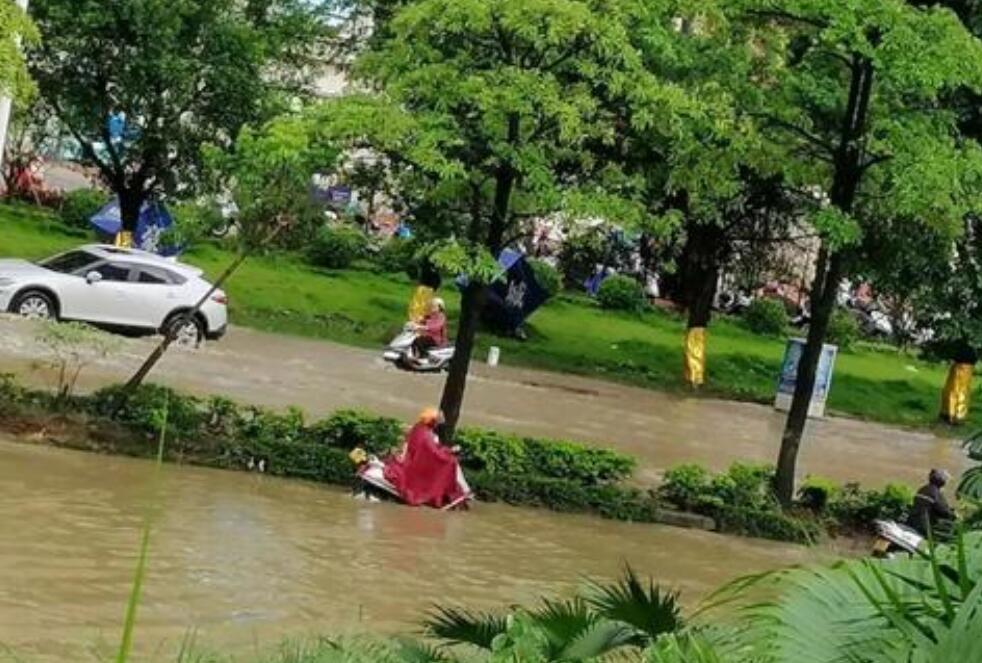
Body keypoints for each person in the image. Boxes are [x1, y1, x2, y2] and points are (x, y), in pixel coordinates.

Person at [384, 409, 471, 508]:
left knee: (449, 461)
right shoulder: (426, 435)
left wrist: (447, 450)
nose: (437, 425)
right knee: (451, 462)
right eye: (436, 422)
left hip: (413, 460)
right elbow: (433, 452)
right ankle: (454, 492)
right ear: (432, 421)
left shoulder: (419, 428)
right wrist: (449, 454)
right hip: (417, 464)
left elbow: (433, 449)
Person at [908, 469, 956, 537]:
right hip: (925, 526)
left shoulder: (922, 489)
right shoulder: (936, 493)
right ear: (942, 482)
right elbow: (944, 511)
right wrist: (954, 515)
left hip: (912, 521)